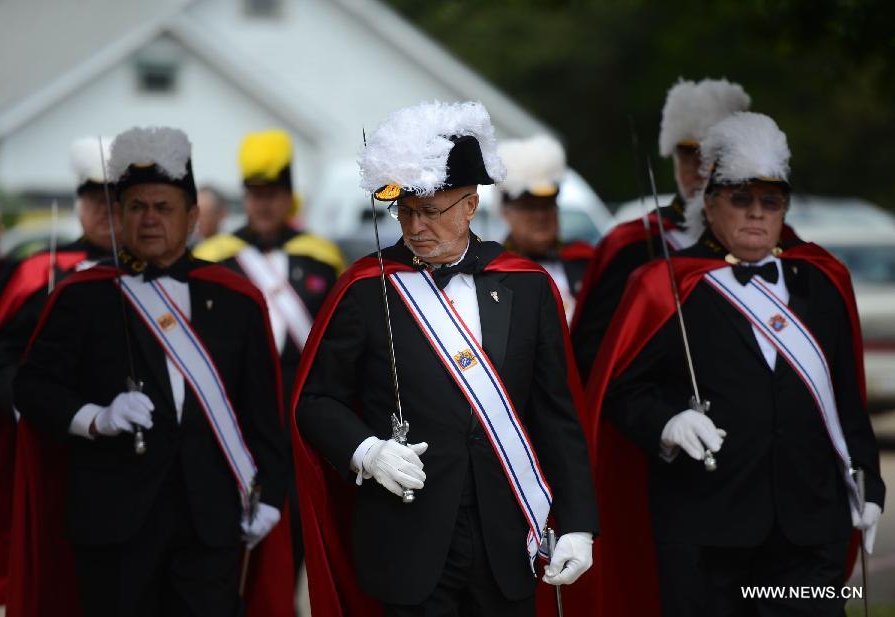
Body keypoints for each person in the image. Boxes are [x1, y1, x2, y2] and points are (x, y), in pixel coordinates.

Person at [293, 101, 599, 617]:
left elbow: (556, 415)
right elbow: (316, 401)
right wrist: (366, 451)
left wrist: (577, 523)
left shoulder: (527, 287)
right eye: (405, 211)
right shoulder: (367, 289)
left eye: (430, 211)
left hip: (508, 537)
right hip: (406, 537)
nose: (415, 227)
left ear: (470, 204)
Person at [588, 112, 885, 616]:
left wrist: (868, 480)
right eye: (740, 199)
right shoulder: (663, 286)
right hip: (707, 528)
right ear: (709, 202)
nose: (756, 213)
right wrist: (667, 421)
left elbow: (845, 398)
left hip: (810, 527)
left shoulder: (822, 280)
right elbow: (621, 390)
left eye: (771, 201)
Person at [10, 126, 294, 616]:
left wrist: (270, 496)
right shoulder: (82, 296)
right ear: (118, 215)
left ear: (192, 217)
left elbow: (263, 411)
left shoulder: (235, 299)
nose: (149, 219)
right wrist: (95, 417)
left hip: (212, 521)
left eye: (163, 207)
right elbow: (31, 388)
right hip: (112, 522)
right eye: (136, 207)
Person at [193, 128, 344, 580]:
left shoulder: (321, 257)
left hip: (300, 417)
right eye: (256, 194)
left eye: (273, 193)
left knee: (296, 529)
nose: (264, 204)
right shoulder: (215, 257)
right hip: (235, 411)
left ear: (289, 196)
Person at [0, 136, 119, 603]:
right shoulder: (38, 271)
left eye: (113, 198)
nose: (104, 209)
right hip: (55, 445)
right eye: (93, 197)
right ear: (79, 202)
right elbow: (3, 356)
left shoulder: (150, 271)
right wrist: (26, 406)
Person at [571, 78, 751, 383]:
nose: (697, 169)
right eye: (687, 156)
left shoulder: (765, 240)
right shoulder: (633, 246)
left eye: (710, 156)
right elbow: (593, 354)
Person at [496, 134, 594, 322]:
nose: (541, 215)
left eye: (547, 205)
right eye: (529, 207)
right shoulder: (494, 270)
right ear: (506, 213)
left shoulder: (585, 261)